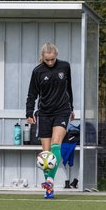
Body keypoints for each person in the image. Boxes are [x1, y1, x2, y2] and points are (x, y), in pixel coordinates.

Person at [26, 42, 74, 199]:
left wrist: (71, 107)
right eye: (47, 60)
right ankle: (49, 188)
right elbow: (31, 94)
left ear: (56, 56)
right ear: (42, 58)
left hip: (62, 111)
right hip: (44, 114)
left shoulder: (65, 67)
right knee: (46, 154)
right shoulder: (37, 72)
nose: (51, 62)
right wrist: (29, 112)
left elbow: (69, 89)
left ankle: (49, 181)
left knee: (56, 144)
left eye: (53, 59)